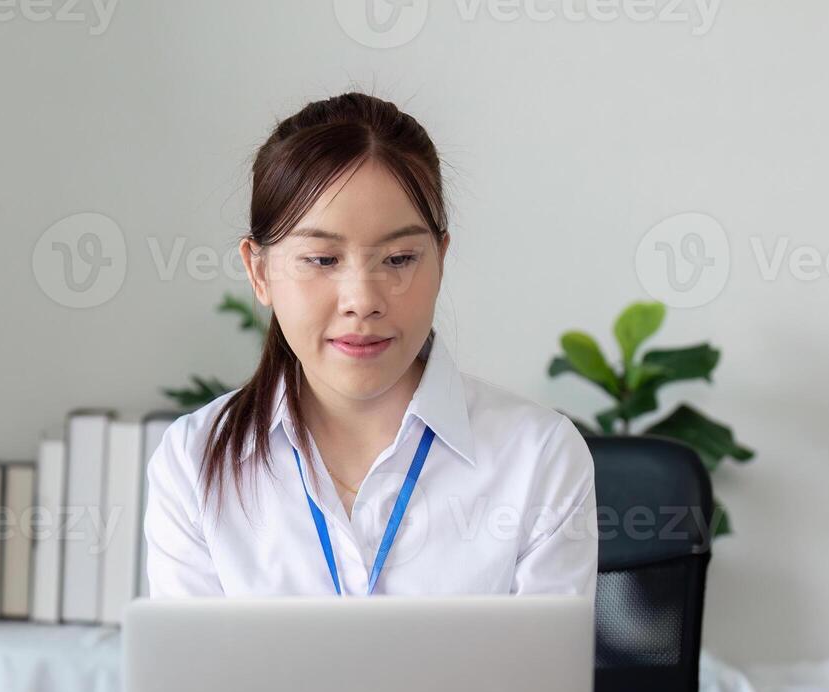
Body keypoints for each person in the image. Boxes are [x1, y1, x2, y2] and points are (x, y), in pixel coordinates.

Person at [144, 92, 598, 599]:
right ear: (259, 270)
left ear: (440, 260)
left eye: (400, 258)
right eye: (321, 259)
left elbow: (542, 678)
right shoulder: (194, 463)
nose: (363, 301)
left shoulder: (539, 459)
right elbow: (196, 678)